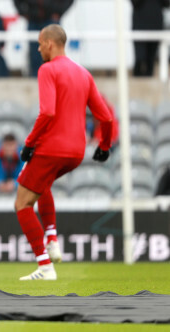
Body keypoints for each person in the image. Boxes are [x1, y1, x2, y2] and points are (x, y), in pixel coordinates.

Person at [15, 24, 113, 281]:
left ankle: (45, 265)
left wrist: (29, 143)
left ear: (49, 43)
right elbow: (106, 116)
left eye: (39, 43)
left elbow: (47, 111)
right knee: (41, 184)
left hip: (51, 150)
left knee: (22, 204)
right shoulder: (84, 74)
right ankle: (52, 238)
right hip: (76, 153)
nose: (38, 48)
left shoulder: (47, 69)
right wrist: (104, 146)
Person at [129, 0, 170, 77]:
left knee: (151, 61)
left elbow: (167, 3)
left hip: (155, 26)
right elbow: (134, 1)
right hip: (140, 27)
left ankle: (147, 87)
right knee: (140, 59)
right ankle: (136, 83)